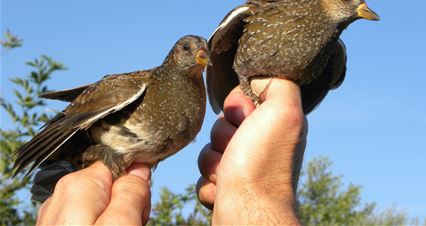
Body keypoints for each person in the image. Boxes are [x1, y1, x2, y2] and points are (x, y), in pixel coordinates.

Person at [36, 78, 307, 225]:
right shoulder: (136, 86)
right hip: (93, 159)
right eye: (188, 50)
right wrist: (255, 200)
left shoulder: (194, 101)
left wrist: (250, 195)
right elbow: (74, 120)